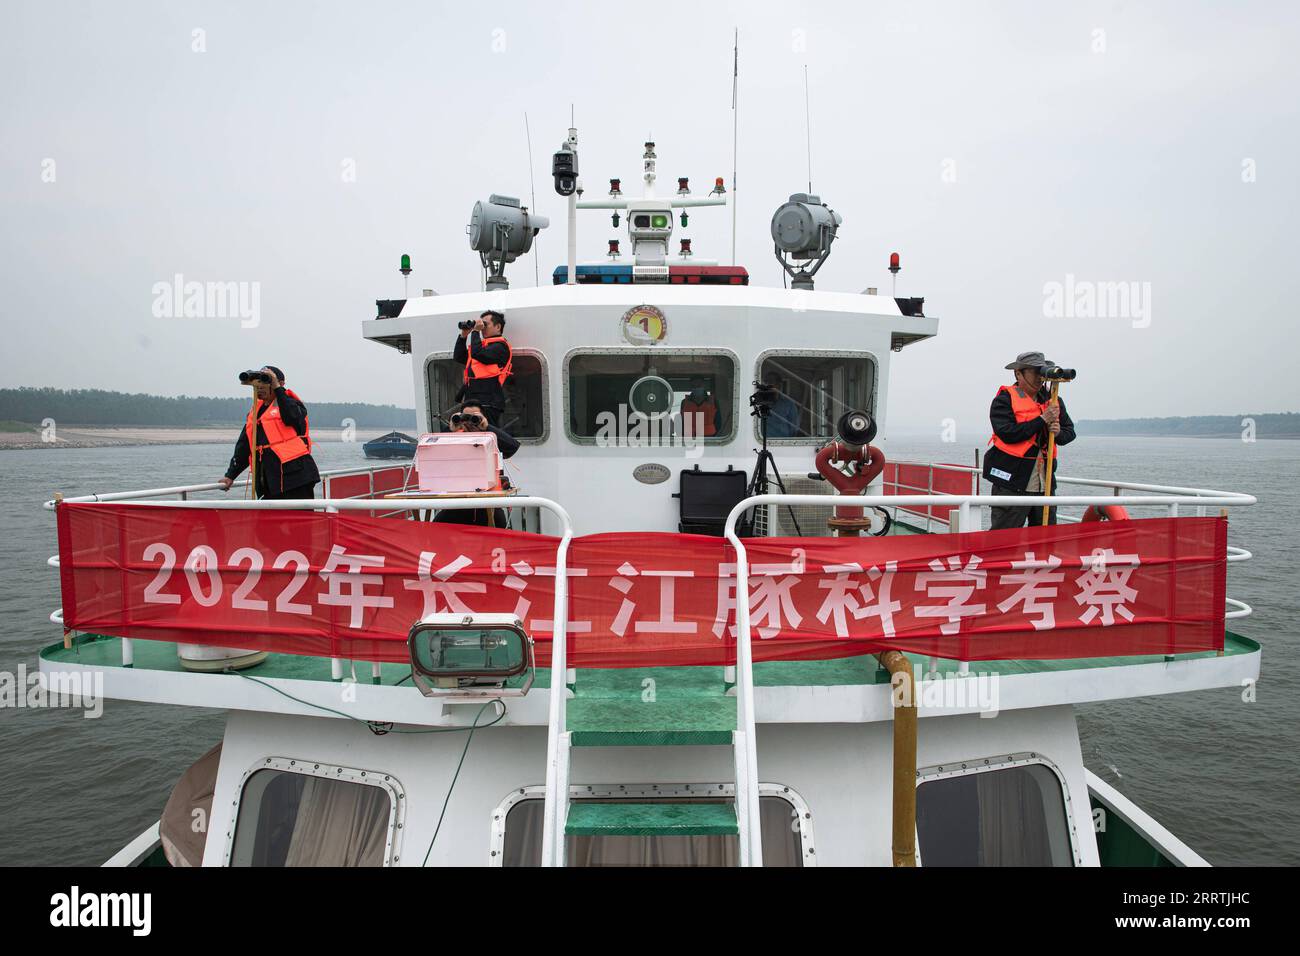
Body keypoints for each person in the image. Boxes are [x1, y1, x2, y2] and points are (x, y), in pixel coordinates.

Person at [983, 351, 1075, 529]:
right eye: (1034, 372)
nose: (1040, 378)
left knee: (1044, 539)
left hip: (1045, 484)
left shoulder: (1053, 400)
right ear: (1019, 373)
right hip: (1012, 483)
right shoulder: (1004, 399)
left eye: (1041, 372)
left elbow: (1069, 432)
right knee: (1005, 536)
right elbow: (1007, 433)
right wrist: (1042, 420)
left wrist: (1058, 434)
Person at [217, 366, 320, 499]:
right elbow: (244, 447)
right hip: (268, 481)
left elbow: (292, 417)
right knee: (270, 517)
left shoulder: (292, 405)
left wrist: (277, 387)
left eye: (266, 381)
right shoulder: (255, 413)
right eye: (258, 383)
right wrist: (230, 475)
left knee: (299, 518)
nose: (261, 387)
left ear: (281, 384)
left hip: (296, 478)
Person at [433, 402, 517, 527]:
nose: (469, 422)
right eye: (465, 417)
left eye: (474, 417)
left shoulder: (491, 439)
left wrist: (487, 428)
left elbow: (512, 447)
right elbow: (433, 451)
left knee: (498, 528)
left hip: (488, 507)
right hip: (457, 505)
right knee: (435, 527)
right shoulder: (452, 440)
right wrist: (451, 429)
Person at [453, 310, 512, 425]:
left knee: (486, 431)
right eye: (481, 324)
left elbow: (478, 354)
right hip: (471, 402)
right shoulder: (480, 347)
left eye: (486, 324)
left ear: (498, 326)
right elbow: (459, 356)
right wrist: (463, 335)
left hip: (489, 403)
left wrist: (475, 331)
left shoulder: (500, 347)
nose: (482, 328)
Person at [762, 372, 801, 438]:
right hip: (760, 444)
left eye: (771, 381)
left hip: (782, 444)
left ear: (779, 385)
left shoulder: (789, 404)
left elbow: (794, 428)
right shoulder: (758, 402)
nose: (767, 385)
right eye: (766, 382)